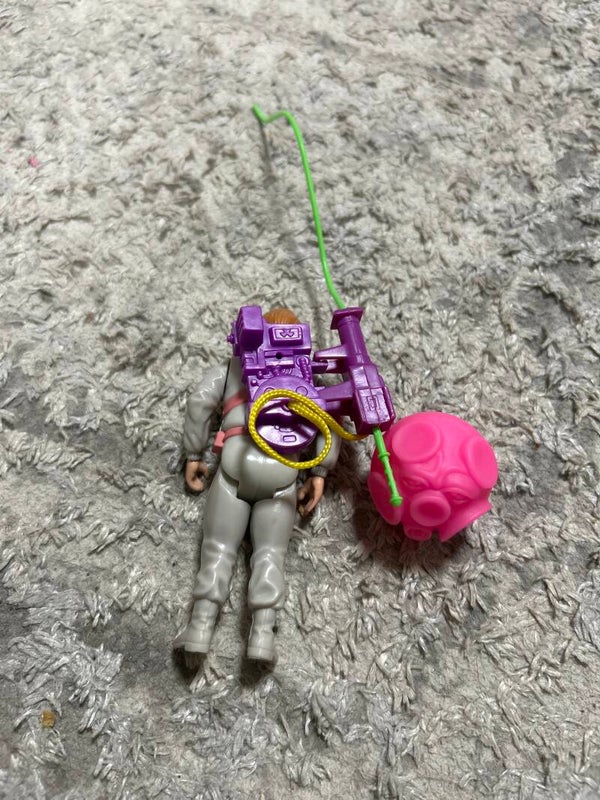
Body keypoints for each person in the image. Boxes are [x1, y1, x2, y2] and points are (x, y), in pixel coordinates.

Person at [174, 308, 340, 662]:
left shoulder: (231, 369)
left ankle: (200, 630)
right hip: (283, 472)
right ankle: (262, 638)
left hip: (236, 464)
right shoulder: (306, 377)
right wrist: (319, 472)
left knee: (219, 549)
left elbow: (200, 402)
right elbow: (329, 421)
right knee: (270, 554)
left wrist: (193, 453)